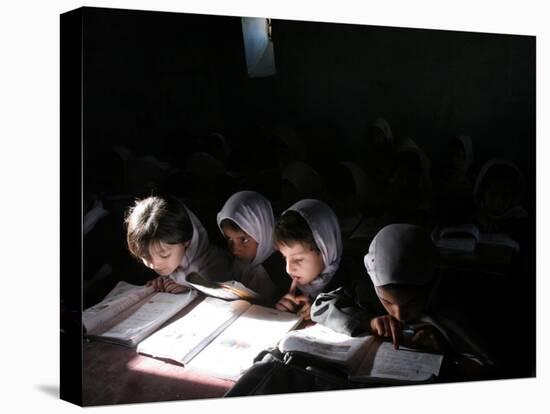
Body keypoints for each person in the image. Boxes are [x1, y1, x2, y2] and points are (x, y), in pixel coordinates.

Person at [311, 224, 493, 368]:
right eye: (387, 302)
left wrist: (445, 351)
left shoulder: (451, 303)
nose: (399, 315)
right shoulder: (366, 291)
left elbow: (485, 363)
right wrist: (368, 322)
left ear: (430, 286)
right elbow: (321, 305)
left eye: (411, 303)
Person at [124, 196, 232, 293]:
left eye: (164, 255)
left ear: (187, 241)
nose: (154, 265)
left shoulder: (218, 267)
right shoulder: (172, 259)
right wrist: (165, 281)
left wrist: (189, 290)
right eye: (145, 256)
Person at [273, 199, 347, 320]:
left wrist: (319, 311)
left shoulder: (351, 285)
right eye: (284, 257)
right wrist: (284, 309)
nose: (288, 269)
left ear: (326, 250)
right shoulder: (282, 282)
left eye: (298, 259)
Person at [217, 191, 288, 304]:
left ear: (262, 232)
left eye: (244, 240)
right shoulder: (241, 262)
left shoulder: (281, 269)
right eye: (229, 239)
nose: (235, 249)